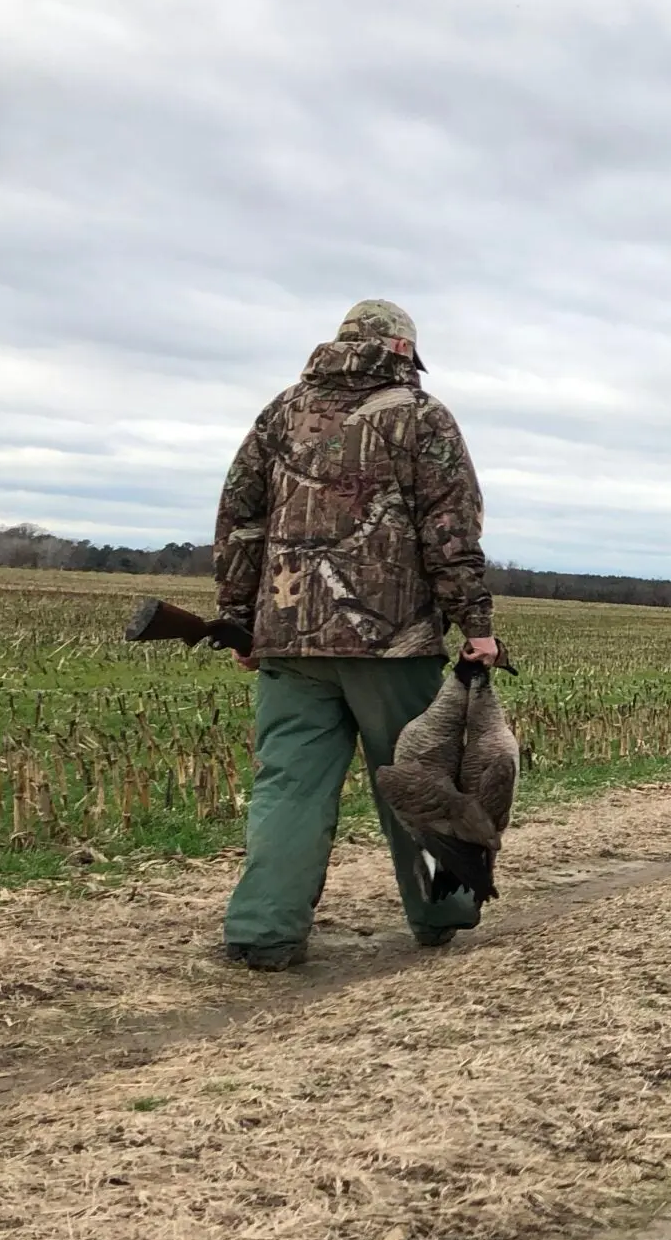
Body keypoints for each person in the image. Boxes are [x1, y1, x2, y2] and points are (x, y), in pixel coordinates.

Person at [210, 299, 502, 969]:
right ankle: (442, 913)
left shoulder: (282, 411)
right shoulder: (421, 416)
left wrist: (239, 619)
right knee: (420, 777)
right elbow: (450, 529)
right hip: (390, 643)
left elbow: (237, 518)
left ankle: (263, 931)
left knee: (288, 784)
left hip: (287, 636)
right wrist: (476, 626)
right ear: (403, 350)